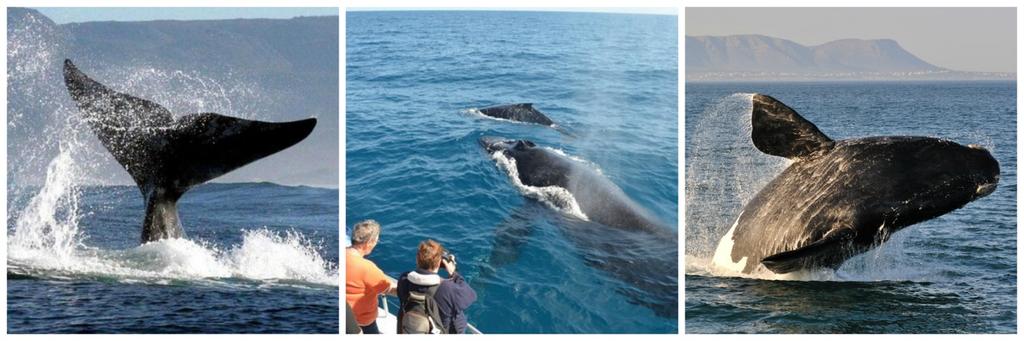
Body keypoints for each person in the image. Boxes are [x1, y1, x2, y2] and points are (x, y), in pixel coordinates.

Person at [397, 239, 477, 334]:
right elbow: (472, 295)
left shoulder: (404, 279)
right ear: (439, 263)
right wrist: (453, 273)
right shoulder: (448, 288)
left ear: (417, 259)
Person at [345, 219, 396, 334]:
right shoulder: (367, 268)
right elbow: (390, 289)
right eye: (376, 241)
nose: (376, 244)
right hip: (363, 322)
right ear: (369, 243)